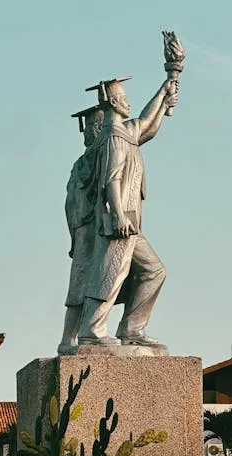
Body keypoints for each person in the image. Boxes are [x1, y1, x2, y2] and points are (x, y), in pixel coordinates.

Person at [77, 76, 178, 346]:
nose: (127, 100)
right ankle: (92, 332)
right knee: (110, 274)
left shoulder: (124, 133)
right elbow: (110, 179)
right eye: (123, 97)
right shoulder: (112, 138)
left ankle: (132, 328)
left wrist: (165, 88)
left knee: (154, 270)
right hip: (117, 222)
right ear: (112, 102)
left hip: (131, 223)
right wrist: (118, 214)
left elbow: (147, 124)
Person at [58, 105, 104, 355]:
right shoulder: (96, 157)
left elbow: (68, 203)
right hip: (90, 228)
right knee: (85, 284)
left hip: (82, 230)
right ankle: (72, 337)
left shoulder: (82, 162)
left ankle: (70, 338)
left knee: (82, 283)